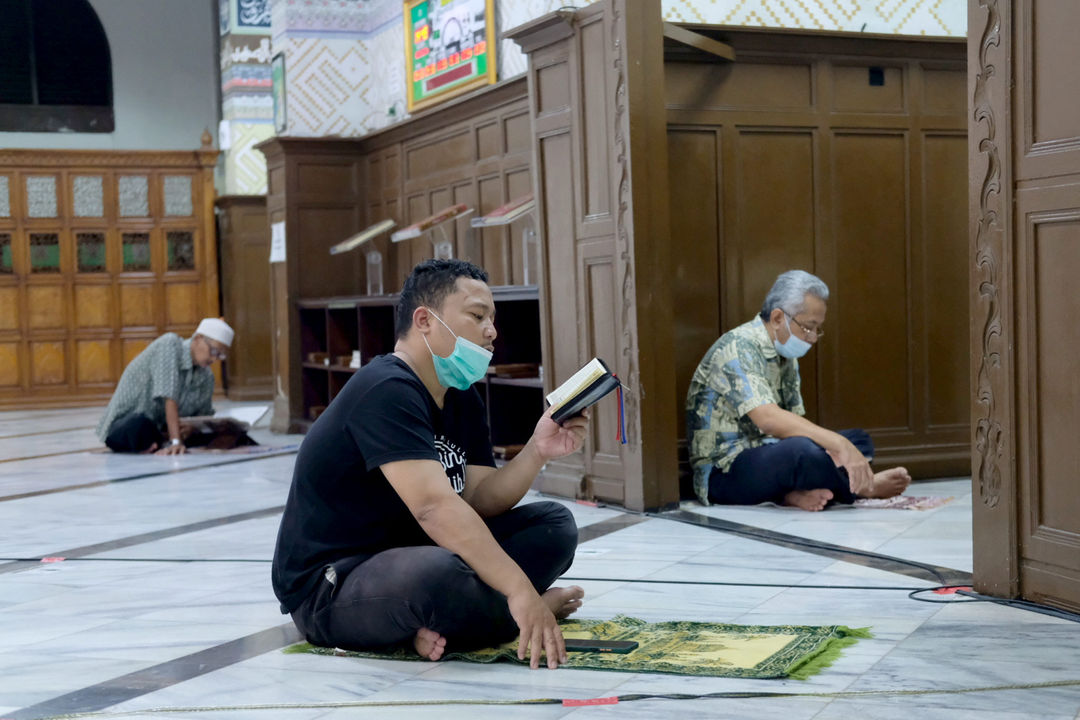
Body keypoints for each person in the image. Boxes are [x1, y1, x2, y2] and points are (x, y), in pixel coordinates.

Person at [272, 259, 588, 670]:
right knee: (438, 573)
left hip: (413, 552)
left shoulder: (460, 396)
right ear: (425, 320)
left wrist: (537, 450)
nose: (491, 331)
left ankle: (431, 623)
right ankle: (501, 616)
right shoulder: (386, 388)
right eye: (477, 316)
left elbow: (478, 499)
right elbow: (433, 508)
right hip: (334, 583)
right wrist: (521, 592)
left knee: (552, 525)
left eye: (493, 319)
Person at [685, 270, 911, 511]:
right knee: (804, 453)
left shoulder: (786, 355)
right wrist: (839, 446)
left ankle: (790, 494)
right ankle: (865, 488)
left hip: (769, 454)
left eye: (818, 329)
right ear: (778, 317)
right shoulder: (739, 346)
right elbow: (768, 420)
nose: (813, 338)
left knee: (858, 440)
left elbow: (794, 427)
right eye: (808, 327)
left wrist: (841, 445)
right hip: (724, 471)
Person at [95, 318, 235, 455]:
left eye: (220, 356)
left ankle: (156, 443)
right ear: (198, 338)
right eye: (214, 351)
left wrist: (192, 428)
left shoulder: (206, 376)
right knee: (139, 426)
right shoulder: (169, 345)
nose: (214, 359)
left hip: (161, 429)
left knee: (223, 432)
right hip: (126, 426)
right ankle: (159, 442)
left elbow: (203, 416)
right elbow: (169, 397)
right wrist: (176, 442)